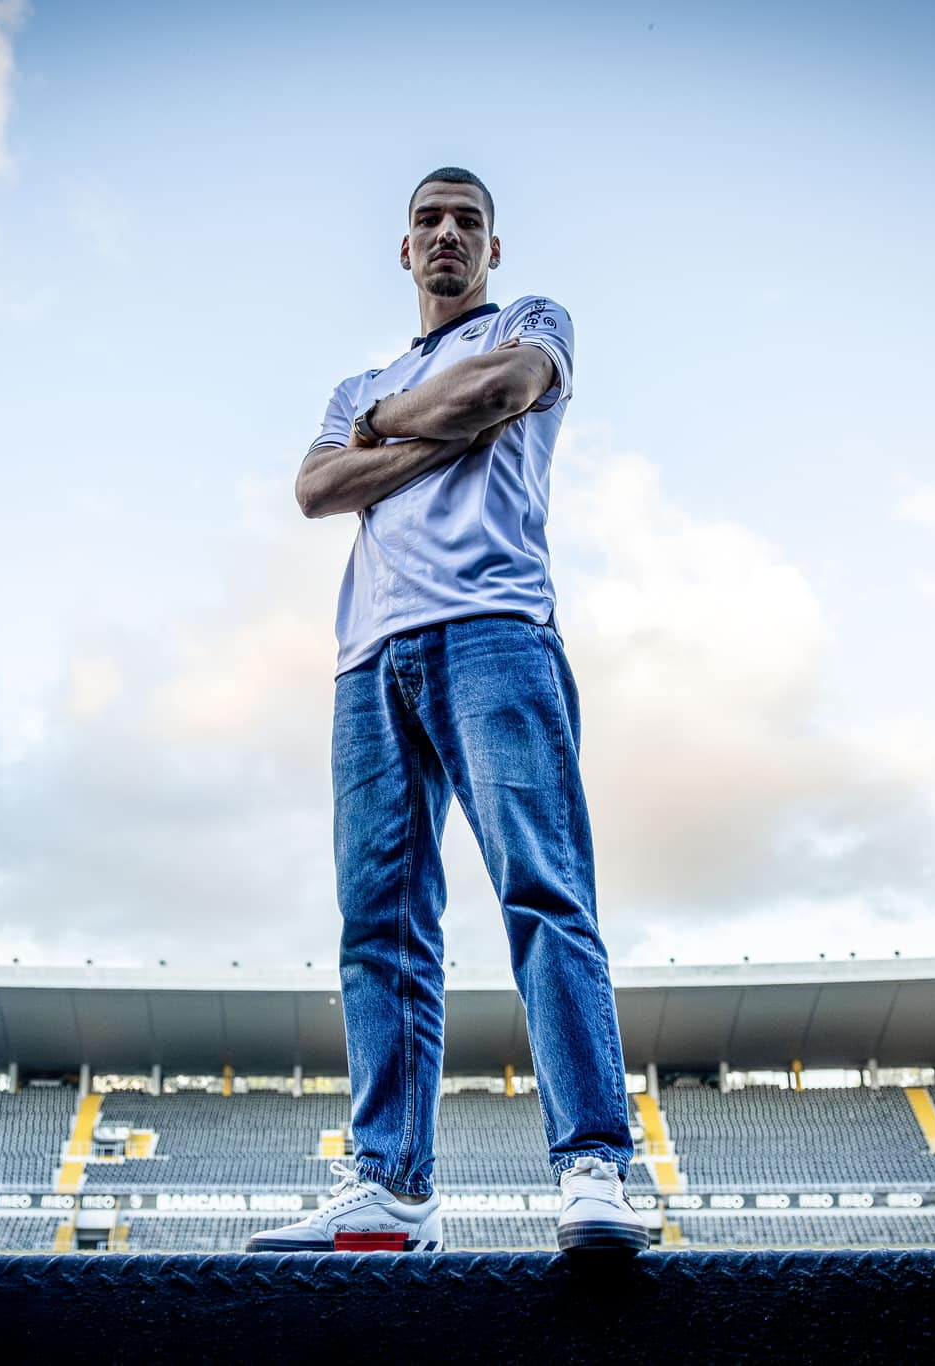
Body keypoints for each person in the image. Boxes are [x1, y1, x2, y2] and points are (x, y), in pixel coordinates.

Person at [247, 167, 644, 1256]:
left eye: (468, 220)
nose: (447, 233)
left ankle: (592, 1162)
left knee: (543, 887)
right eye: (428, 218)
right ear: (403, 246)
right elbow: (317, 487)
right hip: (368, 659)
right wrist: (409, 423)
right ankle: (392, 1185)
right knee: (377, 926)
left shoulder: (531, 320)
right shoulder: (356, 386)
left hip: (494, 631)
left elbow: (499, 388)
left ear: (493, 248)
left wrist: (390, 446)